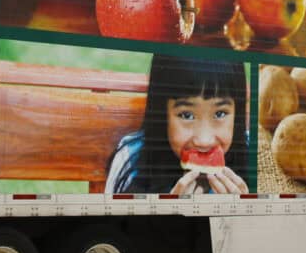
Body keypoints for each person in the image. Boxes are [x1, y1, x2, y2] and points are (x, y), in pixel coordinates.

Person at [106, 54, 249, 195]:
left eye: (220, 114)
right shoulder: (130, 159)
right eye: (187, 115)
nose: (204, 141)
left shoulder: (259, 157)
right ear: (162, 113)